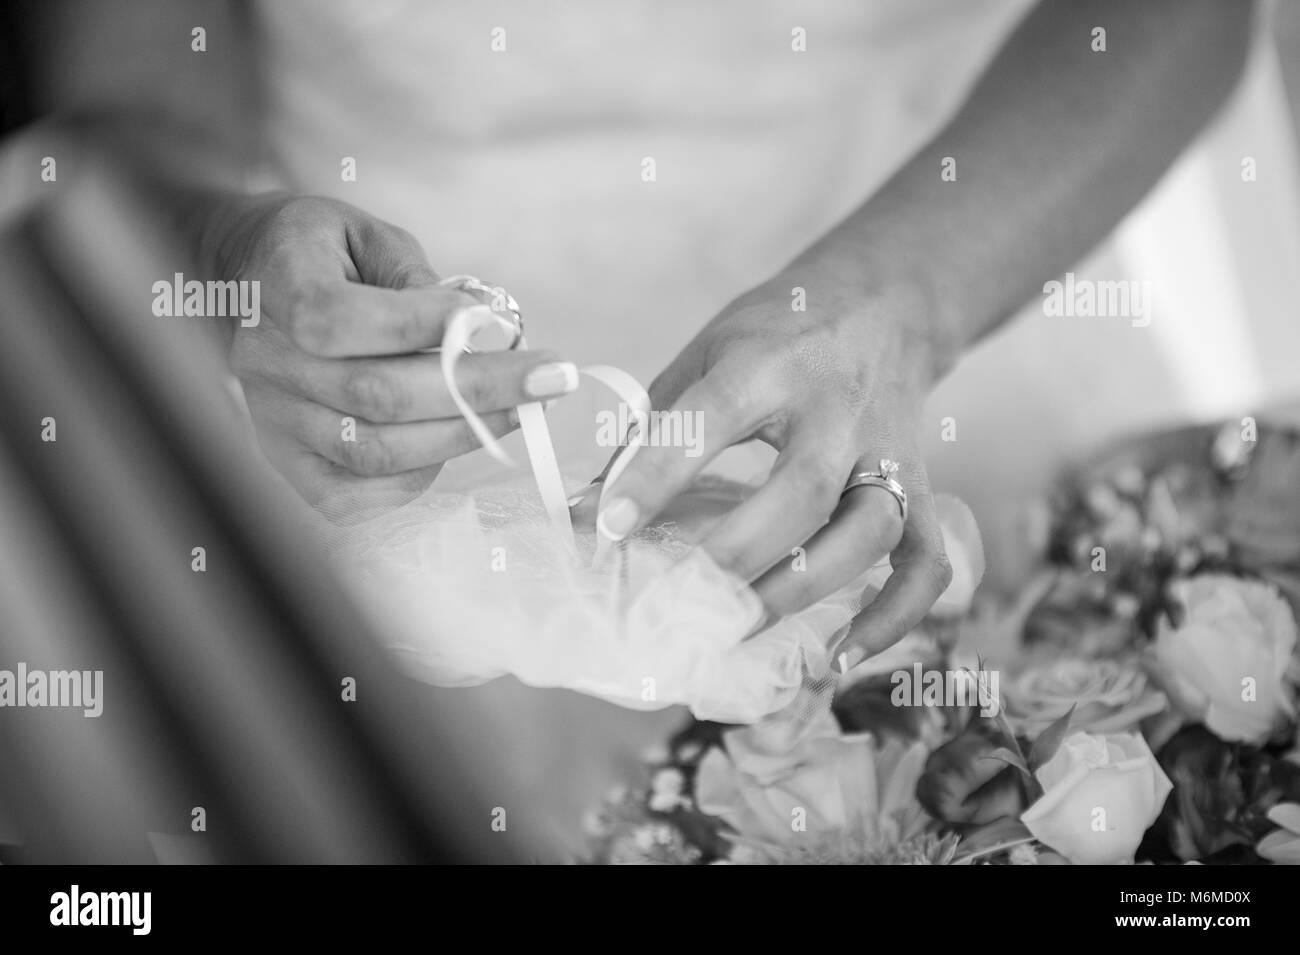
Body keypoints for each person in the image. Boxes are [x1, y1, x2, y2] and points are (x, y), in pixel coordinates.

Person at [12, 0, 1299, 857]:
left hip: (968, 253)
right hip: (423, 414)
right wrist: (238, 258)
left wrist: (906, 304)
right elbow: (124, 82)